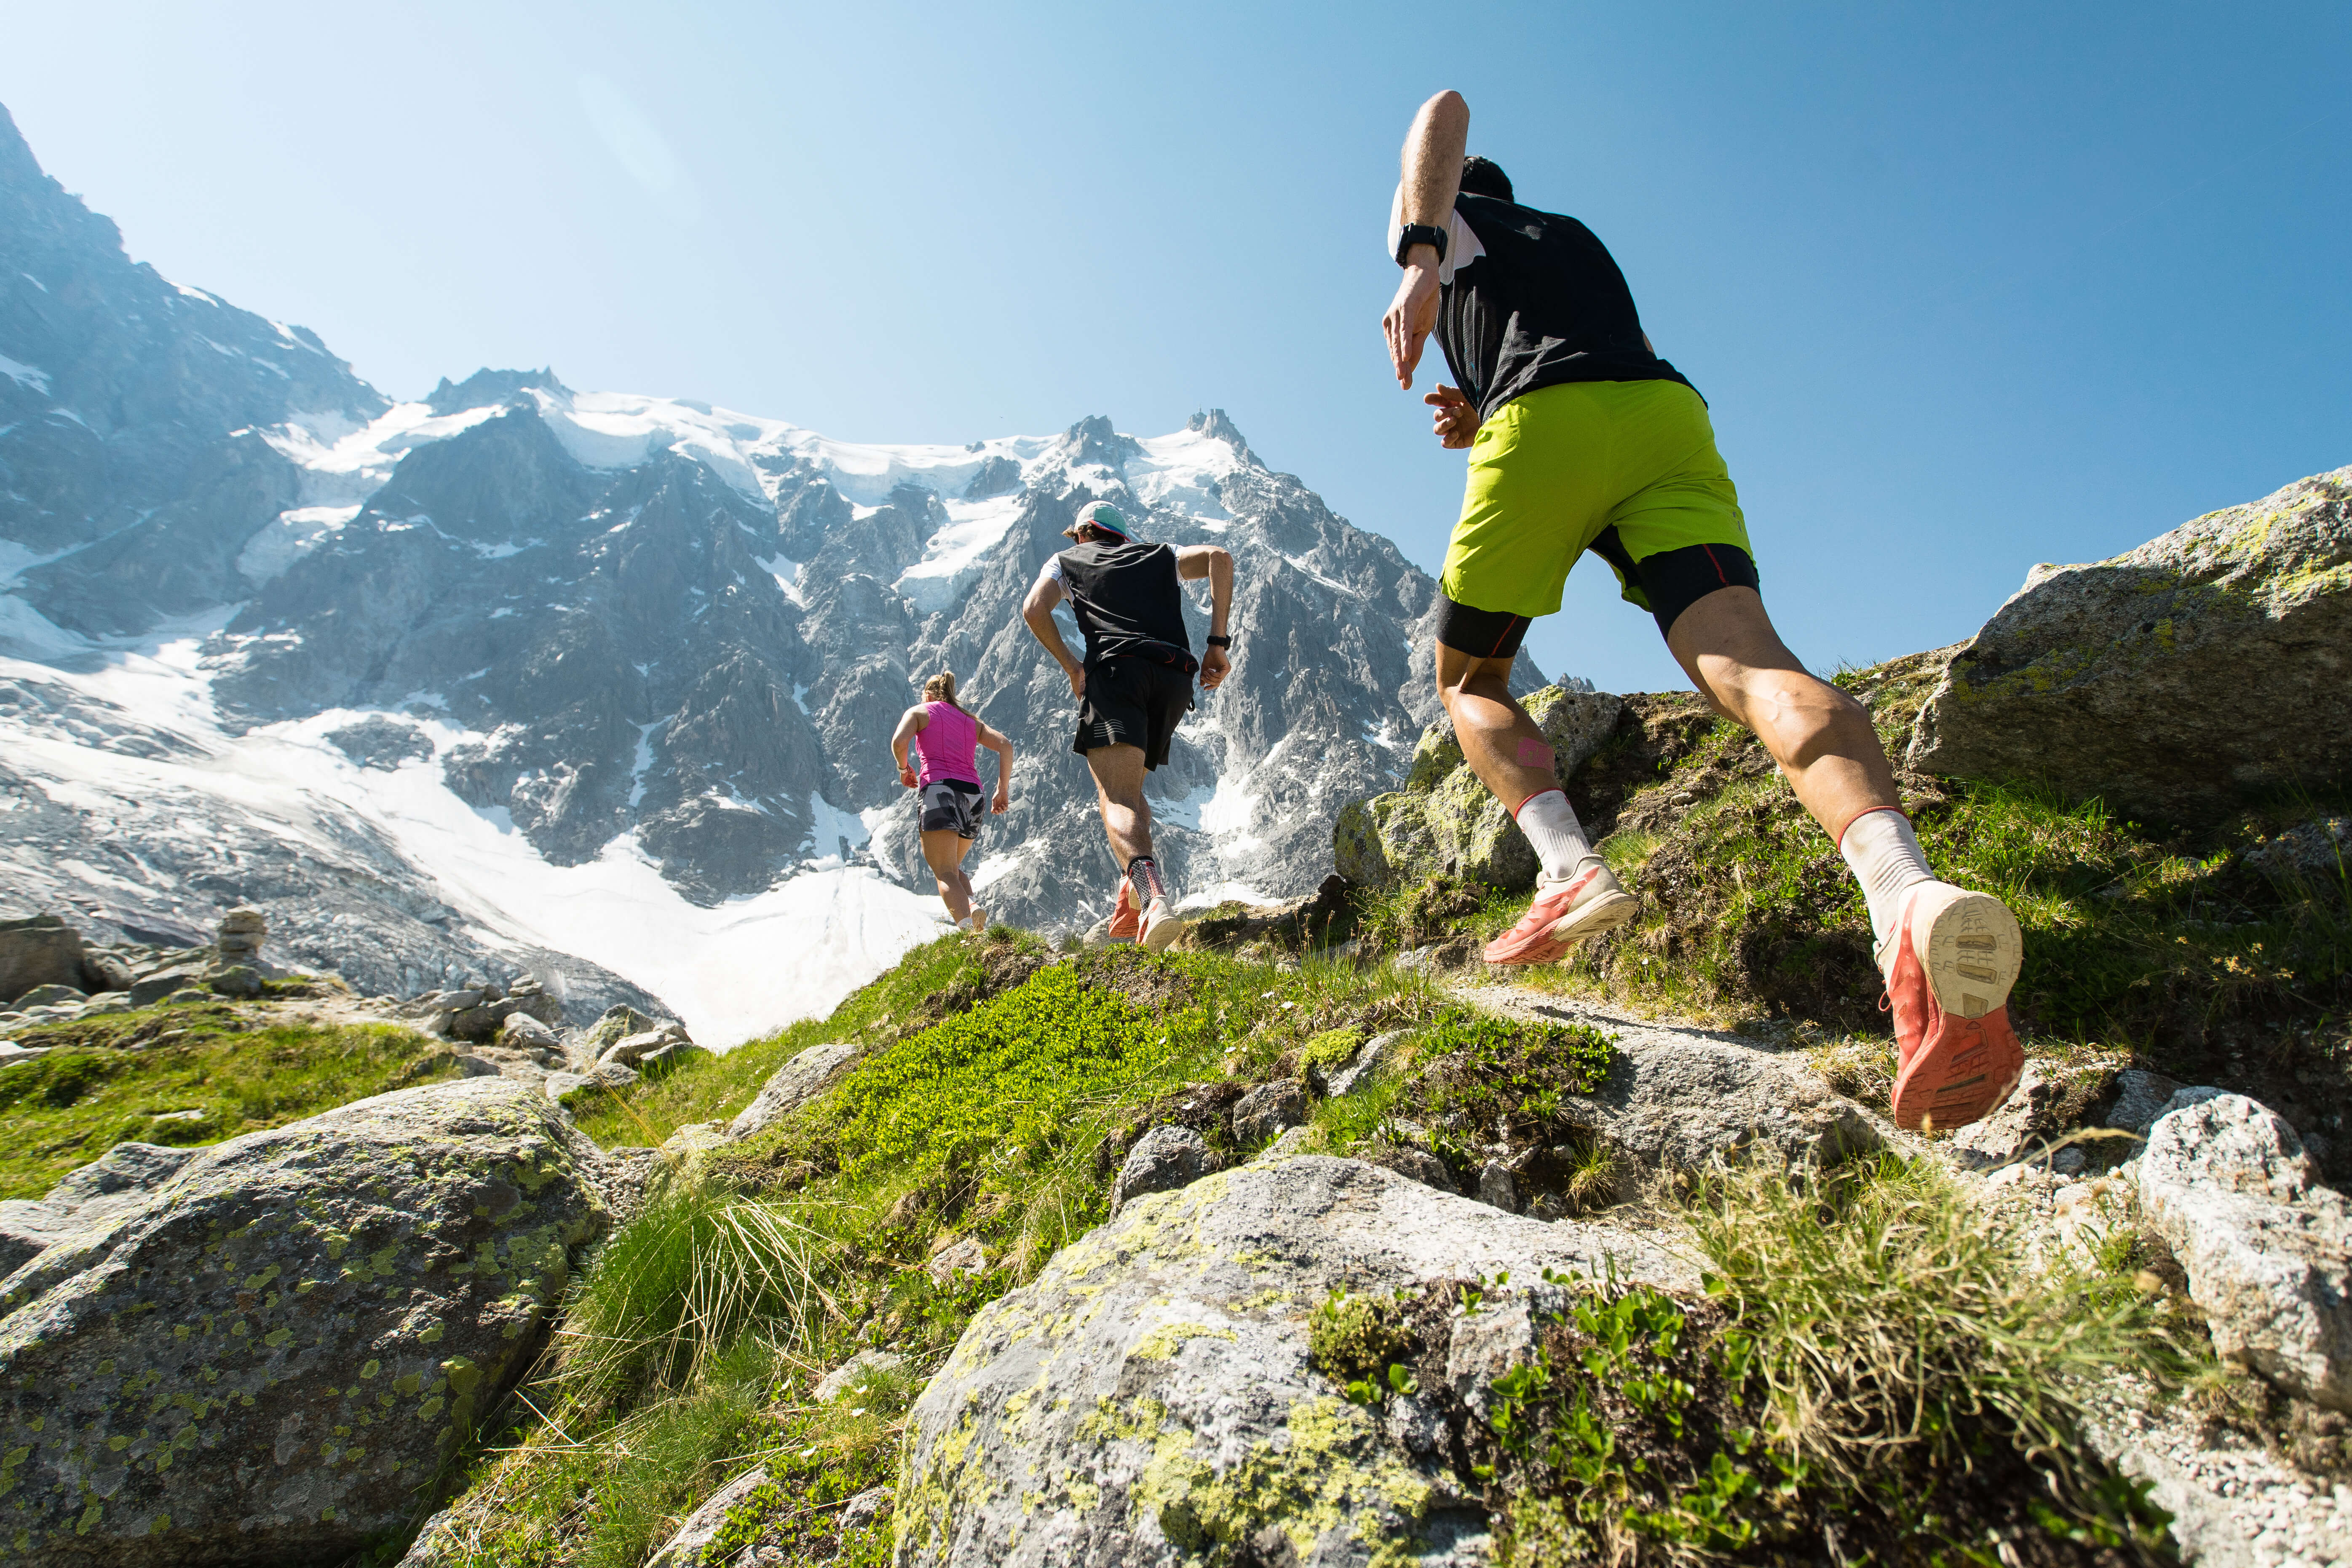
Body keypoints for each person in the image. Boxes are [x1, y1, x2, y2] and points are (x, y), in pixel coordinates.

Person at [1378, 90, 2023, 1132]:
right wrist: (1478, 400)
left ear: (1454, 203)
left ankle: (1566, 869)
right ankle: (1903, 894)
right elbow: (1548, 344)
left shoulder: (1445, 221)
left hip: (1546, 429)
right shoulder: (1567, 238)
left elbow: (1436, 112)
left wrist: (1415, 255)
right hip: (1661, 418)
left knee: (1469, 680)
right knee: (1751, 665)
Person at [1020, 500, 1233, 953]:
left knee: (1114, 794)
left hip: (1117, 673)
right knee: (1132, 789)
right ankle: (1131, 895)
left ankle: (1154, 898)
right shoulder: (1158, 554)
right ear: (1122, 535)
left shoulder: (1065, 561)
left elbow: (1034, 609)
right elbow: (1220, 558)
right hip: (1175, 677)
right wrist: (1217, 644)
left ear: (1082, 533)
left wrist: (1073, 667)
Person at [890, 671, 1014, 932]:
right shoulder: (971, 721)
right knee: (953, 869)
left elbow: (899, 743)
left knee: (944, 872)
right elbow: (1005, 745)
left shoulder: (920, 712)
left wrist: (904, 771)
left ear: (928, 694)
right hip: (974, 796)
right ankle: (972, 911)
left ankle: (967, 931)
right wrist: (1002, 790)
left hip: (940, 790)